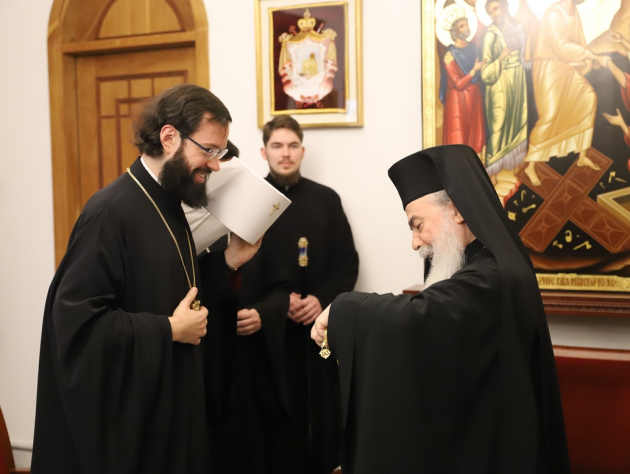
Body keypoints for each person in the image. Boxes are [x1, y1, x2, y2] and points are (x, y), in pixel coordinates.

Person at [31, 84, 261, 474]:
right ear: (169, 138)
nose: (215, 165)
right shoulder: (109, 213)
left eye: (220, 153)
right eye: (208, 151)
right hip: (130, 432)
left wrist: (228, 261)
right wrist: (168, 329)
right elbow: (77, 326)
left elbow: (172, 290)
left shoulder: (169, 202)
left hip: (170, 411)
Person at [311, 145, 570, 473]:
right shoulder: (481, 267)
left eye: (418, 225)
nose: (415, 242)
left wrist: (343, 308)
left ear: (458, 211)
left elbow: (420, 317)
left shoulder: (492, 277)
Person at [261, 115, 359, 474]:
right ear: (264, 151)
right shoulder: (253, 200)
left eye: (292, 146)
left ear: (302, 150)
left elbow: (347, 263)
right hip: (271, 334)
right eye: (277, 146)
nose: (285, 153)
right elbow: (240, 267)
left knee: (322, 409)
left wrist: (320, 299)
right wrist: (279, 300)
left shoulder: (326, 200)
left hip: (320, 332)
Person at [524, 0, 609, 186]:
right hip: (548, 67)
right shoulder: (554, 13)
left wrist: (588, 60)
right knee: (550, 114)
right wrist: (592, 56)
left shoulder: (573, 12)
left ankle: (582, 155)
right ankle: (531, 165)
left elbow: (579, 41)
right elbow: (562, 48)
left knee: (587, 98)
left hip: (567, 66)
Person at [481, 0, 530, 187]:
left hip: (517, 79)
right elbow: (485, 72)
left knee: (517, 121)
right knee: (498, 125)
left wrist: (529, 37)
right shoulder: (490, 35)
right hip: (499, 83)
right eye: (490, 12)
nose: (494, 14)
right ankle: (491, 172)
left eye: (496, 8)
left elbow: (527, 59)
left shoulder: (519, 28)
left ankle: (512, 166)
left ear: (505, 6)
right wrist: (500, 59)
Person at [440, 9, 487, 154]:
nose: (466, 28)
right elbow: (459, 84)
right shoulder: (450, 55)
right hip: (457, 101)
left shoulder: (475, 49)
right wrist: (474, 70)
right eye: (462, 26)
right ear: (455, 31)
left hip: (474, 97)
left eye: (466, 24)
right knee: (458, 138)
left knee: (475, 138)